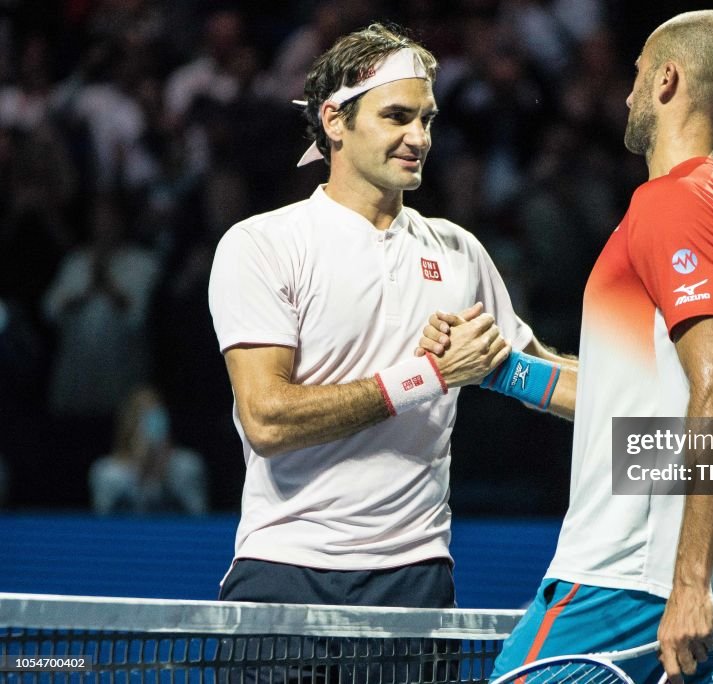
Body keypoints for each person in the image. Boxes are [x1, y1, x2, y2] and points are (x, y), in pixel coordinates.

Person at [426, 10, 713, 684]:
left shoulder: (675, 204)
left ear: (668, 79)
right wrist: (501, 369)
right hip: (683, 587)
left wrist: (688, 583)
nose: (626, 94)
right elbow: (632, 400)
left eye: (638, 76)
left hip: (628, 579)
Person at [207, 24, 575, 609]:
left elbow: (547, 381)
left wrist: (502, 371)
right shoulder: (263, 243)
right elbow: (267, 420)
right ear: (335, 121)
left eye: (426, 119)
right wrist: (428, 376)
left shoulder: (457, 251)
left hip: (417, 579)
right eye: (397, 116)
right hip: (286, 570)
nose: (419, 137)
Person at [89, 386, 208, 515]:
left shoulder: (187, 465)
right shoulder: (107, 472)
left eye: (155, 417)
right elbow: (103, 520)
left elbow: (198, 516)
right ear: (128, 422)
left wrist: (162, 473)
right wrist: (139, 470)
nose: (149, 426)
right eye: (140, 416)